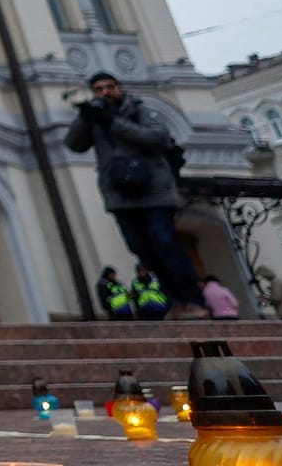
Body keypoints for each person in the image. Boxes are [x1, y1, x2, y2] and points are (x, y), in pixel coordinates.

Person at [65, 72, 209, 319]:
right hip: (120, 195)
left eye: (110, 87)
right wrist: (84, 116)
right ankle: (174, 298)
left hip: (155, 191)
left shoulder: (141, 111)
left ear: (119, 88)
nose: (105, 92)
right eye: (98, 89)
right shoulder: (94, 119)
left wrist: (113, 121)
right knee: (140, 247)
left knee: (164, 241)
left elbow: (155, 137)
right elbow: (74, 144)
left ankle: (193, 299)